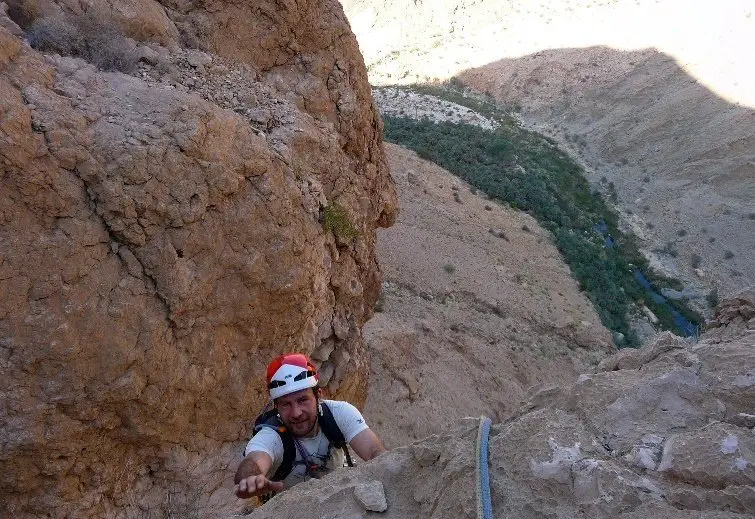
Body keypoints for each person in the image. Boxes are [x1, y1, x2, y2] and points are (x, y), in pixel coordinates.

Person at [234, 352, 387, 500]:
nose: (296, 413)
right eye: (286, 404)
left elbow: (374, 451)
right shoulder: (272, 435)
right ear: (277, 407)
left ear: (318, 395)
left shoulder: (338, 413)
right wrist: (250, 479)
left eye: (302, 400)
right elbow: (254, 461)